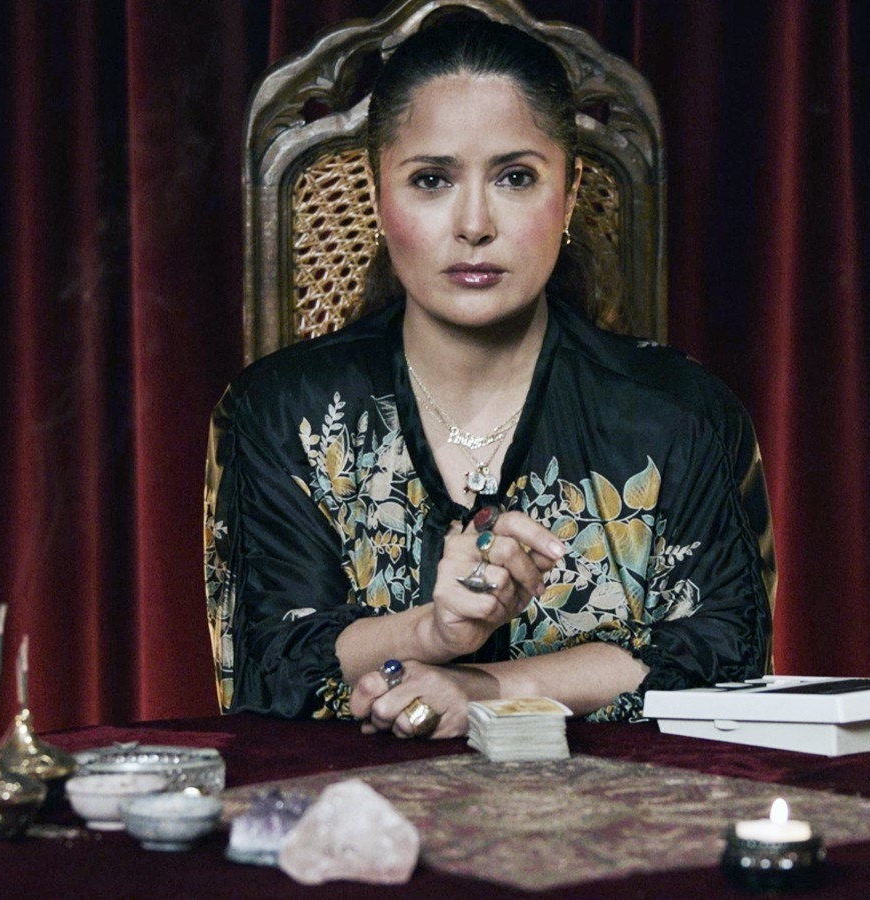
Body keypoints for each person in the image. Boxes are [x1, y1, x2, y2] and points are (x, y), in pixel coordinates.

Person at [204, 16, 772, 739]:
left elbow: (727, 656)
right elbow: (271, 664)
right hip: (355, 825)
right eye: (432, 180)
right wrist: (434, 633)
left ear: (566, 199)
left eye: (514, 178)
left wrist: (483, 686)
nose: (474, 223)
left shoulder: (677, 413)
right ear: (380, 199)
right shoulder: (282, 410)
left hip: (623, 824)